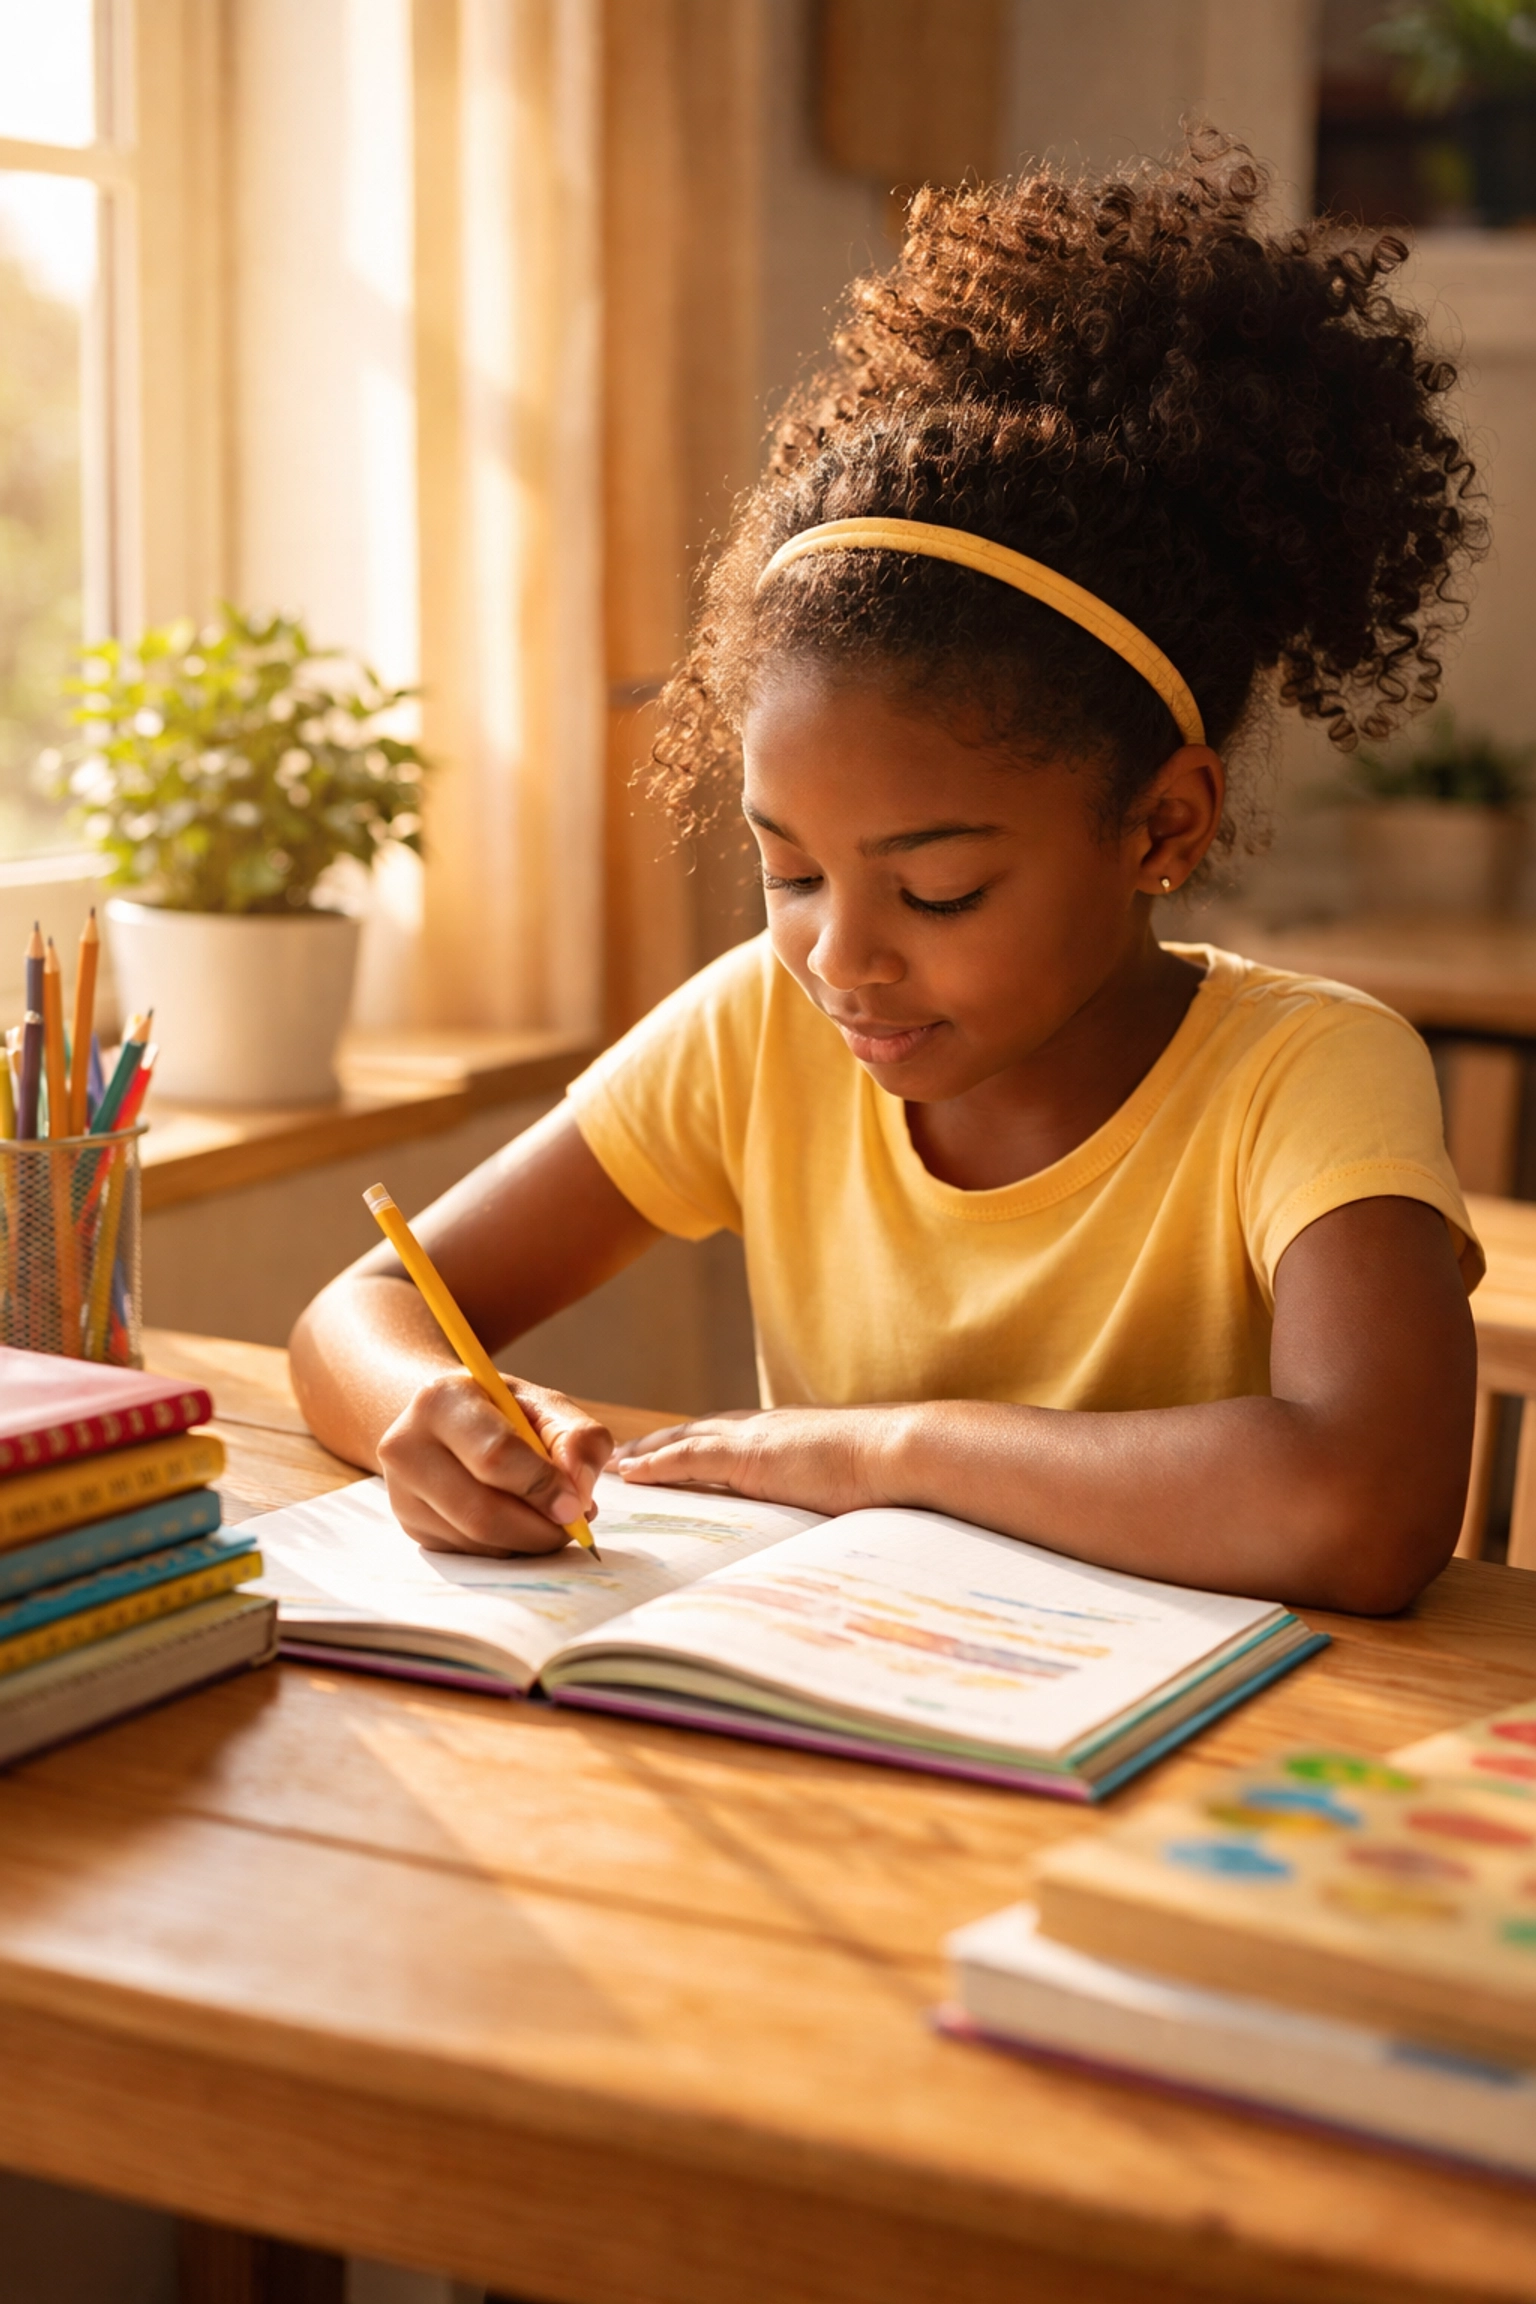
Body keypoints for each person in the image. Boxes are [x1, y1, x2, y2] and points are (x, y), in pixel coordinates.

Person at [292, 139, 1487, 1613]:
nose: (841, 959)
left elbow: (1364, 1509)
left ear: (1163, 829)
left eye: (940, 894)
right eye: (787, 871)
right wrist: (432, 1412)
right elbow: (364, 1309)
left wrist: (890, 1452)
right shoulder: (759, 1032)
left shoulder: (1304, 1077)